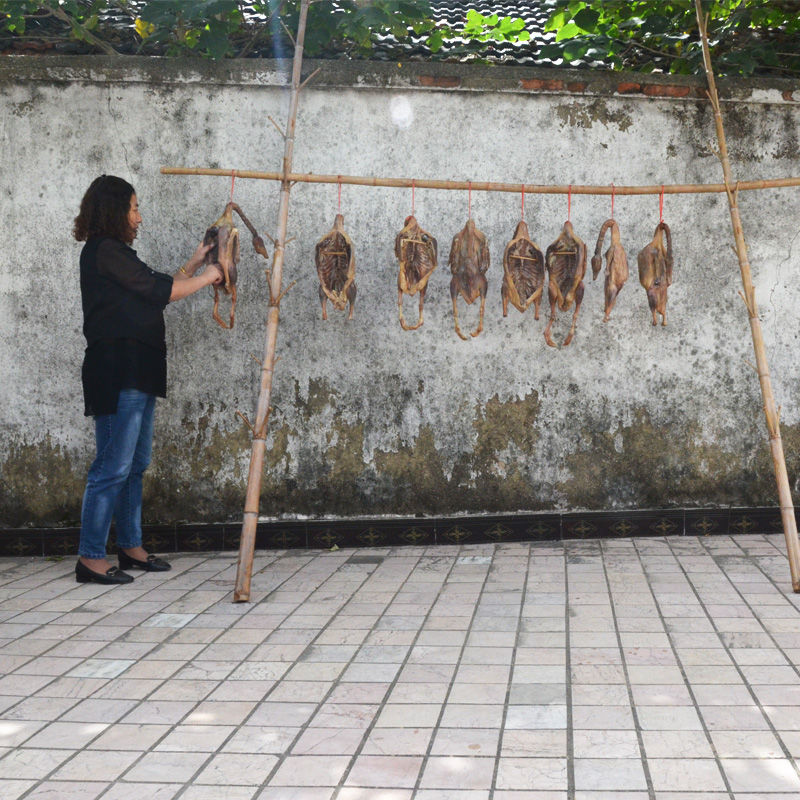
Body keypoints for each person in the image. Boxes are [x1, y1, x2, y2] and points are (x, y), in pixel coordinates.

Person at [73, 174, 223, 585]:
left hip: (138, 370)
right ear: (116, 211)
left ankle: (130, 546)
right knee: (112, 466)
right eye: (135, 208)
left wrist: (194, 263)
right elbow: (160, 292)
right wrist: (211, 276)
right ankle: (89, 557)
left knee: (135, 464)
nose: (139, 218)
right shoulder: (103, 251)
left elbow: (153, 285)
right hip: (116, 371)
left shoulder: (116, 253)